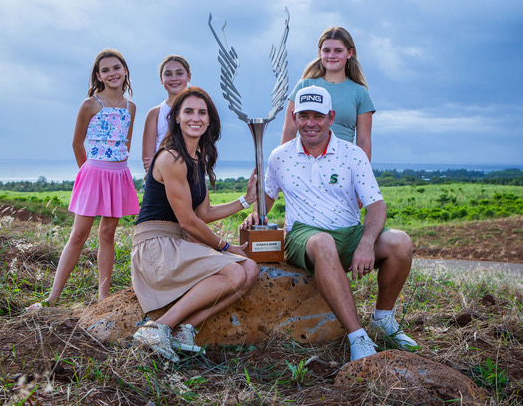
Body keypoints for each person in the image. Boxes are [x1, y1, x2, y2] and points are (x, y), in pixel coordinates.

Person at [243, 86, 416, 362]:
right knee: (322, 242)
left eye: (318, 116)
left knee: (400, 242)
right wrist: (254, 213)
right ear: (295, 117)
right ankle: (357, 336)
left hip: (348, 232)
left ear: (331, 117)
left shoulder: (353, 154)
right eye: (303, 116)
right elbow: (265, 201)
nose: (310, 123)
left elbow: (376, 205)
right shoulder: (279, 156)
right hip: (304, 235)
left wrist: (367, 243)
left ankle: (383, 319)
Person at [132, 87, 259, 362]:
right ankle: (158, 327)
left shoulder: (196, 160)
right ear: (176, 117)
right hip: (156, 248)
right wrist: (227, 247)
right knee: (235, 273)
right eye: (188, 111)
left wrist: (245, 200)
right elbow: (188, 222)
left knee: (250, 271)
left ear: (210, 120)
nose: (196, 117)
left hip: (175, 244)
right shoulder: (171, 157)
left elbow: (203, 213)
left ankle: (184, 329)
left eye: (202, 112)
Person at [27, 49, 140, 311]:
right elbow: (77, 143)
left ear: (125, 71)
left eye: (116, 68)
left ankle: (103, 299)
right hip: (93, 173)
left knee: (108, 233)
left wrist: (116, 168)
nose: (112, 73)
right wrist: (88, 174)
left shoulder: (130, 107)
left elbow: (126, 142)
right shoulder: (90, 104)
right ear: (98, 76)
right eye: (105, 70)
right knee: (79, 234)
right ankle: (51, 298)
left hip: (119, 174)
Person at [280, 27, 376, 161]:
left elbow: (364, 141)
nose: (331, 55)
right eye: (326, 50)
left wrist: (363, 177)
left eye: (338, 51)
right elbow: (289, 132)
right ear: (320, 53)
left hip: (343, 166)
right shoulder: (304, 86)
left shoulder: (360, 93)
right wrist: (285, 166)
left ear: (349, 53)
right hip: (306, 165)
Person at [141, 55, 192, 172]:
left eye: (179, 73)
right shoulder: (155, 113)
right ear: (161, 79)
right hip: (159, 179)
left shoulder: (198, 111)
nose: (174, 78)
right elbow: (148, 159)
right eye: (168, 74)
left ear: (188, 76)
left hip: (191, 176)